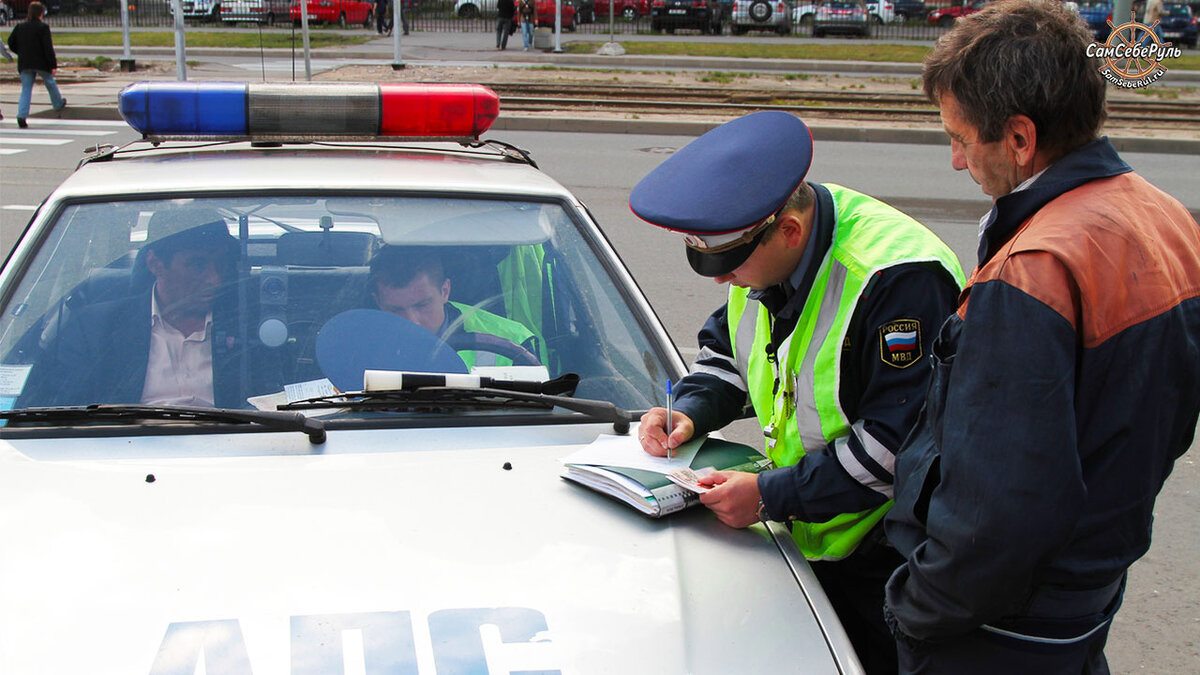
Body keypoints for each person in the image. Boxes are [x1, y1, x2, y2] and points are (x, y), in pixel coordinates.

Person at [881, 1, 1200, 673]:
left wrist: (917, 607)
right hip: (1087, 589)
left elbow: (1001, 511)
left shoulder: (1034, 271)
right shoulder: (1163, 215)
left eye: (961, 138)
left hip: (999, 624)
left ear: (1020, 139)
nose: (956, 161)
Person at [630, 110, 964, 675]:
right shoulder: (765, 256)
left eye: (731, 262)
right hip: (809, 536)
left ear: (789, 230)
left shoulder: (897, 278)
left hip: (888, 554)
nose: (720, 278)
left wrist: (768, 496)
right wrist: (689, 411)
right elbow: (732, 355)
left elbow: (894, 447)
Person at [18, 211, 279, 408]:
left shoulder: (254, 325)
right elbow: (57, 410)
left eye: (221, 263)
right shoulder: (95, 329)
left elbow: (278, 402)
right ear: (155, 264)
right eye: (197, 265)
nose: (216, 279)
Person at [369, 246, 541, 369]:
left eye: (422, 305)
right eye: (395, 310)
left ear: (445, 291)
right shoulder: (354, 343)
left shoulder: (514, 342)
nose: (412, 322)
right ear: (378, 302)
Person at [6, 1, 65, 130]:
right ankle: (58, 104)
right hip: (41, 62)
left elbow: (11, 42)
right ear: (40, 13)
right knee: (50, 82)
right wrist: (53, 65)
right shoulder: (42, 27)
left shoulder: (20, 27)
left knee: (26, 89)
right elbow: (48, 48)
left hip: (25, 62)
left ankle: (21, 116)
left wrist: (20, 52)